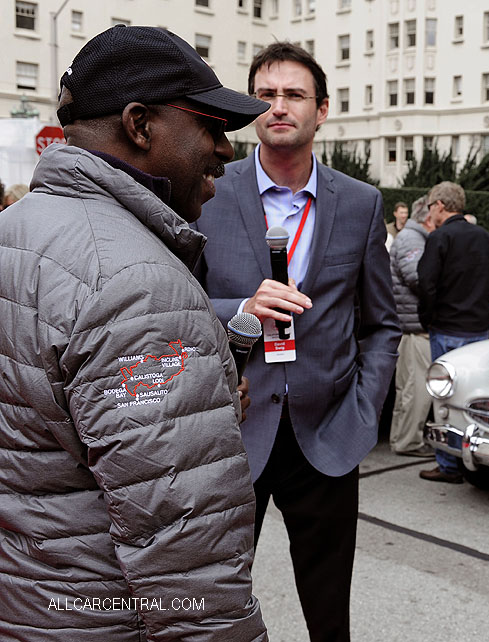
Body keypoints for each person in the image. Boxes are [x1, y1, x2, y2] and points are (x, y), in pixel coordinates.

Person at [0, 25, 269, 640]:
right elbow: (188, 557)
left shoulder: (15, 230)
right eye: (211, 124)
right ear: (140, 124)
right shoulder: (137, 281)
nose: (227, 149)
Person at [193, 41, 400, 641]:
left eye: (294, 95)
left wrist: (364, 408)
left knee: (330, 610)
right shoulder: (207, 191)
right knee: (213, 603)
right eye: (266, 94)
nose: (278, 106)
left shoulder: (360, 202)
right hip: (232, 430)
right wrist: (241, 310)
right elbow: (175, 303)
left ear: (322, 110)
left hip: (329, 435)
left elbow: (382, 322)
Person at [417, 181, 489, 483]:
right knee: (474, 398)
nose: (430, 213)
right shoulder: (484, 237)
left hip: (447, 327)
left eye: (430, 207)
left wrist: (427, 319)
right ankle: (471, 459)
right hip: (477, 328)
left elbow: (426, 284)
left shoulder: (440, 237)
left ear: (439, 205)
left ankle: (448, 464)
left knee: (444, 399)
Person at [389, 195, 435, 457]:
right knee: (415, 389)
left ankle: (401, 438)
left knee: (407, 388)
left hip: (407, 324)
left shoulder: (409, 237)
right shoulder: (412, 239)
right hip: (414, 325)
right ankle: (409, 442)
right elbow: (417, 277)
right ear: (428, 216)